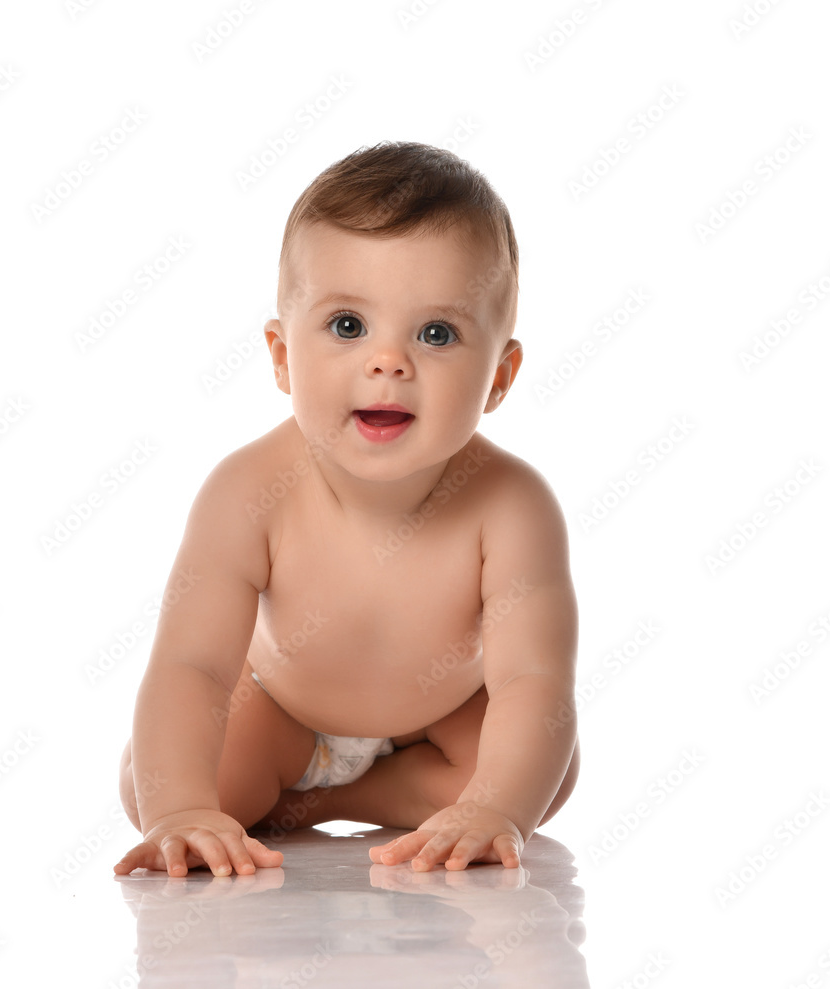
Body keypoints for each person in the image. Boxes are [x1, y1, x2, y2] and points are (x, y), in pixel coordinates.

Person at [114, 141, 579, 878]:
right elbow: (193, 665)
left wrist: (496, 805)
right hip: (282, 712)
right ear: (280, 355)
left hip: (435, 723)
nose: (388, 362)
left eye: (436, 333)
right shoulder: (246, 492)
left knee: (537, 775)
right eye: (348, 326)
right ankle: (301, 784)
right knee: (164, 786)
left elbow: (532, 680)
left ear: (500, 375)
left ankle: (348, 796)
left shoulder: (513, 508)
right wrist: (179, 807)